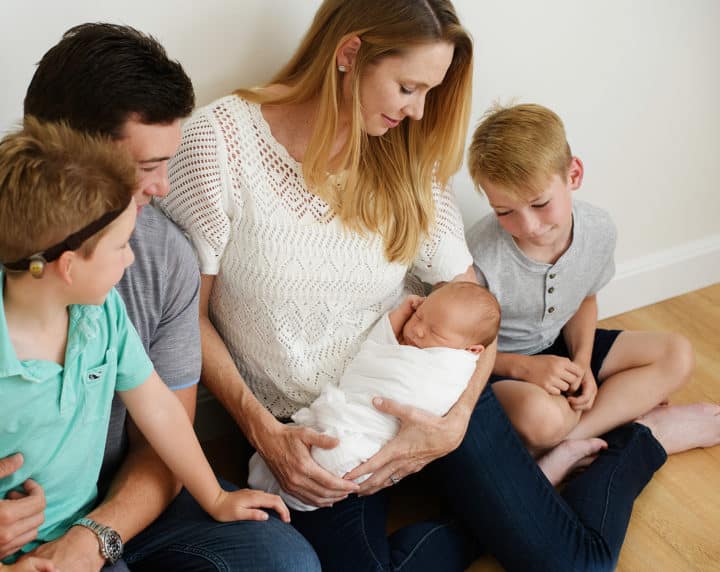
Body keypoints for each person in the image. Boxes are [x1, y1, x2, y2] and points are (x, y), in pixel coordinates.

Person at [158, 1, 720, 570]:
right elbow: (186, 319)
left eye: (430, 90)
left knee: (580, 565)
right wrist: (263, 430)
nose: (420, 110)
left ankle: (643, 438)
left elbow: (476, 302)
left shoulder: (405, 156)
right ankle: (542, 477)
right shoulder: (219, 145)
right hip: (320, 432)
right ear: (350, 54)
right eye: (408, 87)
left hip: (435, 391)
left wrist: (453, 424)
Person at [0, 23, 320, 572]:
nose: (163, 189)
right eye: (146, 166)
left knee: (280, 558)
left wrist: (94, 539)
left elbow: (161, 425)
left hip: (107, 506)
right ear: (67, 160)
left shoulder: (137, 277)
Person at [465, 103, 720, 455]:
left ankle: (570, 443)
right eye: (505, 212)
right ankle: (611, 425)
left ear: (573, 175)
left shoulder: (598, 229)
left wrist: (582, 361)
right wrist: (524, 367)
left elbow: (584, 298)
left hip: (562, 348)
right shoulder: (479, 256)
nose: (529, 227)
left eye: (540, 204)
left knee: (677, 354)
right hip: (500, 366)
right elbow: (457, 348)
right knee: (543, 418)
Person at [249, 282, 500, 511]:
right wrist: (396, 319)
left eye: (435, 331)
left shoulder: (454, 366)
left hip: (372, 437)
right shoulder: (414, 334)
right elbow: (375, 351)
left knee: (334, 456)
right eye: (419, 316)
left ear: (471, 350)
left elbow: (429, 397)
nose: (418, 331)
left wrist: (460, 416)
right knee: (301, 446)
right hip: (345, 408)